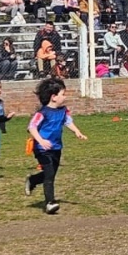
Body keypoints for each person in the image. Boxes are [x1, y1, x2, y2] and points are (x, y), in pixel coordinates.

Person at [26, 78, 88, 214]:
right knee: (49, 175)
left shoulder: (63, 110)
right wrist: (41, 141)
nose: (65, 97)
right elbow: (31, 127)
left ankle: (33, 180)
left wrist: (77, 131)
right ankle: (50, 203)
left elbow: (68, 121)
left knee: (51, 174)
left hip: (56, 148)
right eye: (63, 94)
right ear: (53, 97)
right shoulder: (42, 113)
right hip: (42, 149)